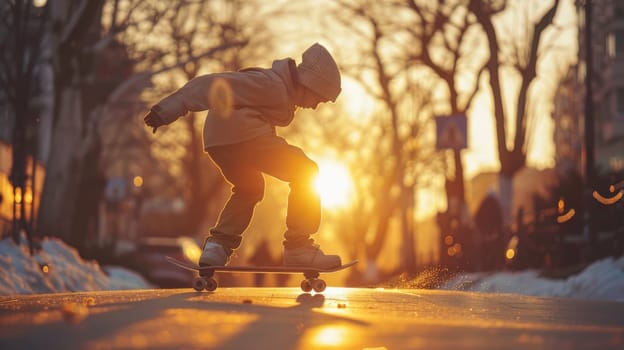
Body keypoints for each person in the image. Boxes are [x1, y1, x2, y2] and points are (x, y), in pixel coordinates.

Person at [144, 43, 342, 269]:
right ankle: (299, 247)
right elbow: (213, 84)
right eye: (319, 99)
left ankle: (217, 247)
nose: (316, 106)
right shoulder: (271, 84)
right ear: (309, 84)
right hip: (245, 138)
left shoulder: (277, 89)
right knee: (306, 171)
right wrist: (171, 107)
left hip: (219, 143)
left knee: (250, 188)